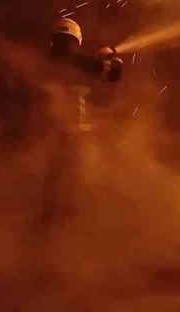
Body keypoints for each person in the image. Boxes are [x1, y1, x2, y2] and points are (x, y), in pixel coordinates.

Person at [38, 18, 123, 231]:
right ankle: (64, 226)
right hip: (70, 132)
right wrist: (113, 58)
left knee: (53, 181)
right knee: (71, 181)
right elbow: (113, 75)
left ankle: (47, 225)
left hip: (44, 130)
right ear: (77, 37)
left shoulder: (45, 61)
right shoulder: (83, 62)